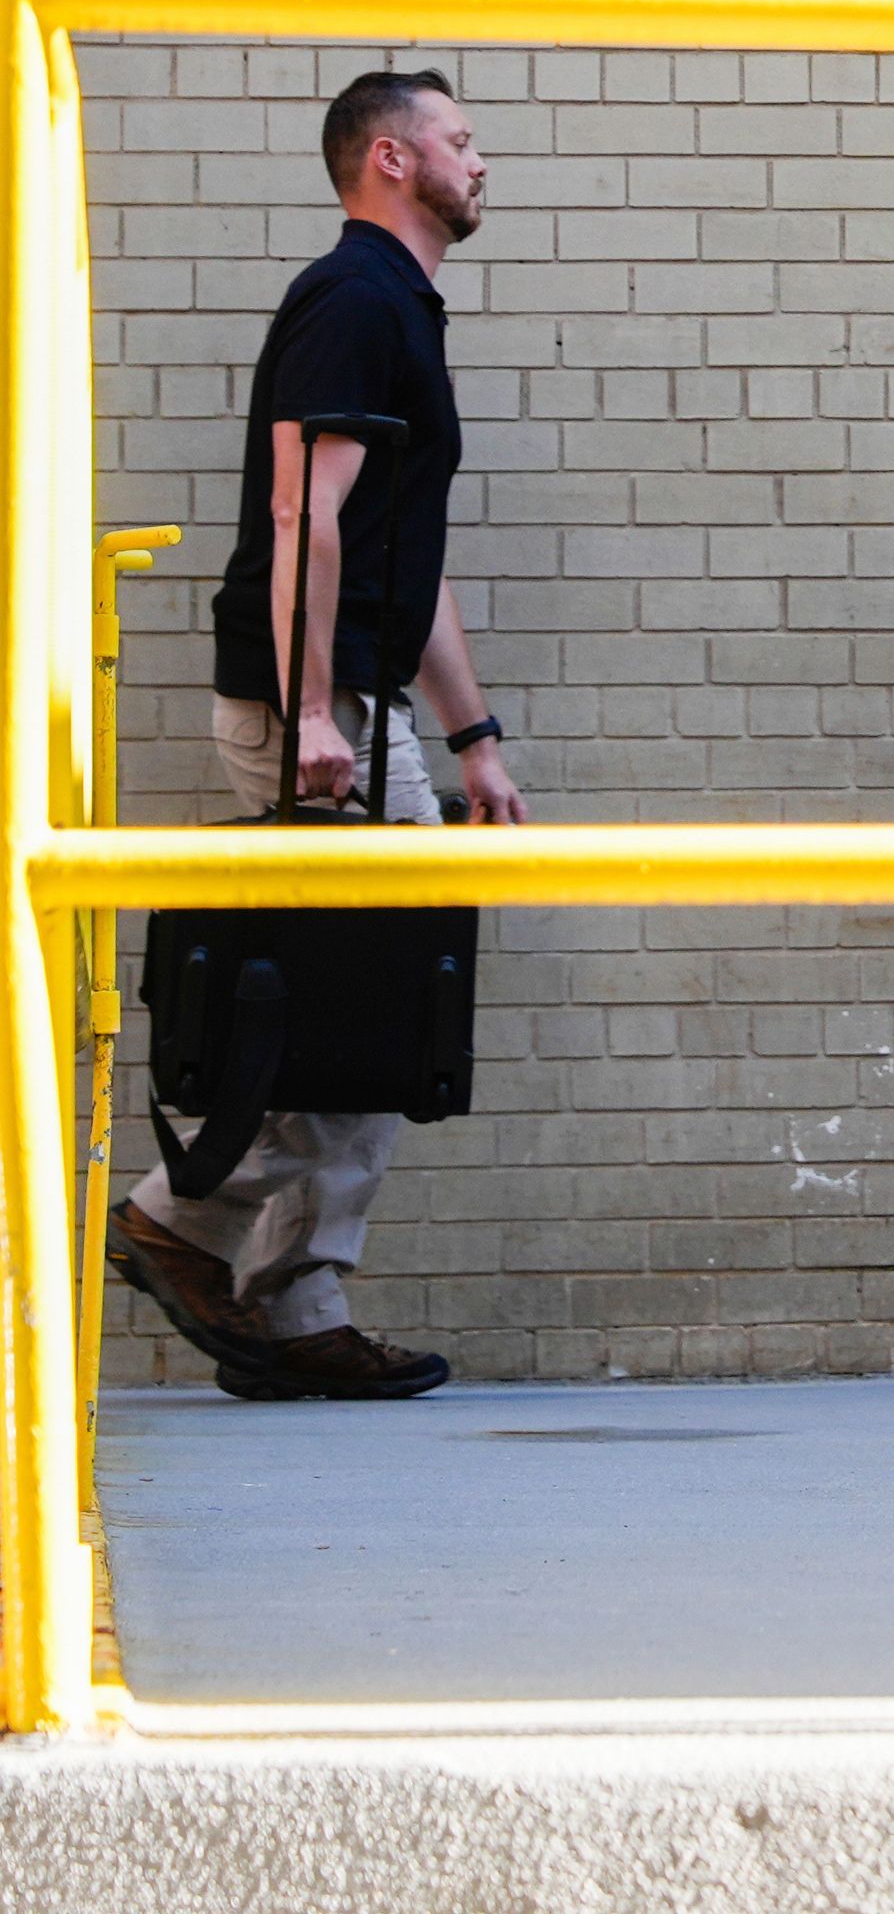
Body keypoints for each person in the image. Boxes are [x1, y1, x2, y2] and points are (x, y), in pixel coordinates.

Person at [101, 68, 530, 1404]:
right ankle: (184, 1220)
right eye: (460, 139)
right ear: (392, 160)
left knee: (382, 1009)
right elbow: (305, 517)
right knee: (360, 1012)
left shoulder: (401, 308)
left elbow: (411, 557)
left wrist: (474, 738)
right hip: (317, 711)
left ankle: (296, 1300)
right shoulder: (353, 301)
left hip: (356, 702)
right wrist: (307, 717)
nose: (482, 159)